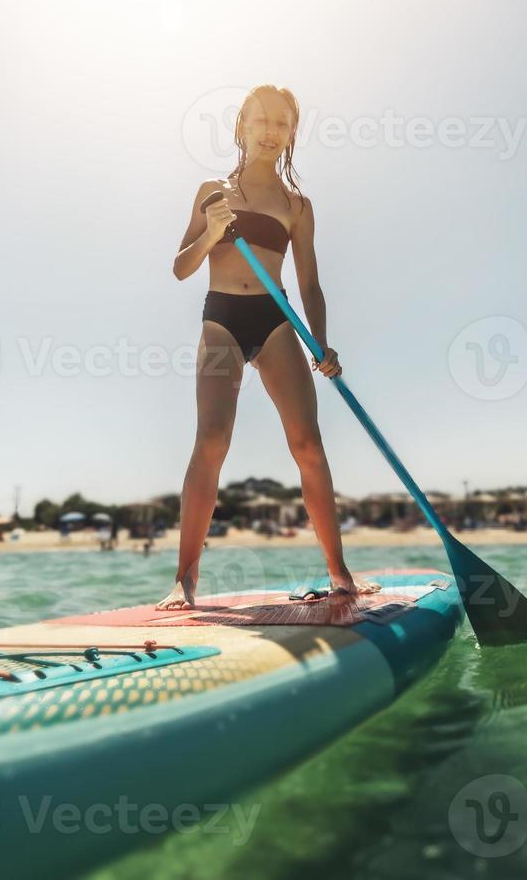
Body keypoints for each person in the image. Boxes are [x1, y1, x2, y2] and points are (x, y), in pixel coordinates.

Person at [157, 85, 379, 610]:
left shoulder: (297, 206)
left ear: (292, 134)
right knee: (211, 441)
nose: (270, 131)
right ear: (241, 126)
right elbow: (181, 267)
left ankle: (339, 571)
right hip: (222, 321)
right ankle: (185, 580)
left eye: (281, 123)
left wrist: (321, 343)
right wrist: (211, 234)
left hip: (278, 320)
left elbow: (310, 285)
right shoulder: (212, 191)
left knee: (308, 445)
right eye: (260, 120)